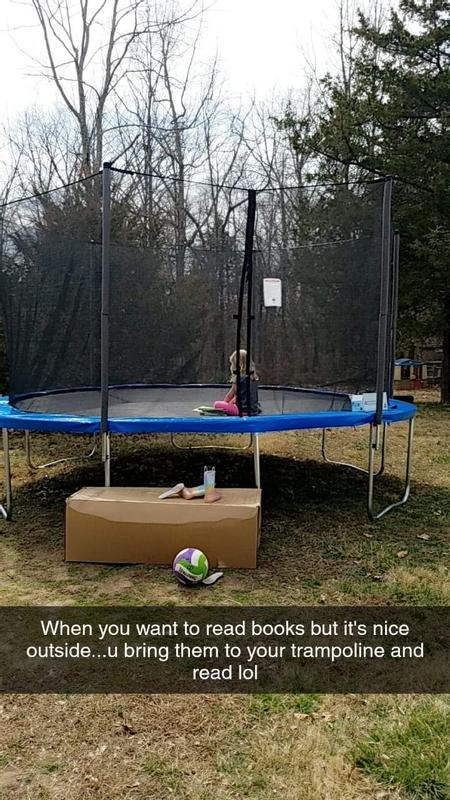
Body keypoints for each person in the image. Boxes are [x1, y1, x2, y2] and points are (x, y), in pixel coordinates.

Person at [214, 349, 260, 416]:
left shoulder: (239, 378)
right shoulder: (254, 378)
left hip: (241, 410)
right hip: (253, 410)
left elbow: (230, 396)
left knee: (217, 404)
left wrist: (226, 406)